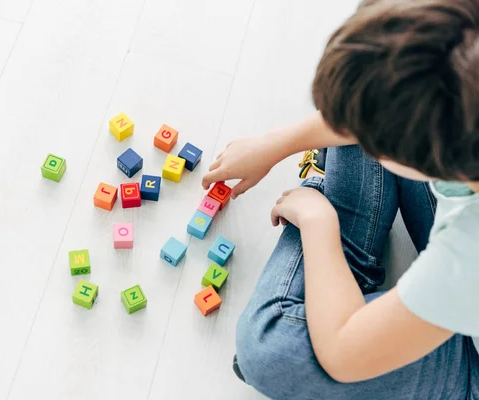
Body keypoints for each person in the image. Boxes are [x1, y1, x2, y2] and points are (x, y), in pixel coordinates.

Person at [201, 0, 479, 398]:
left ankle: (339, 267)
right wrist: (274, 144)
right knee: (370, 83)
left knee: (270, 349)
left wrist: (319, 224)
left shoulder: (468, 259)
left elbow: (342, 355)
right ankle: (339, 279)